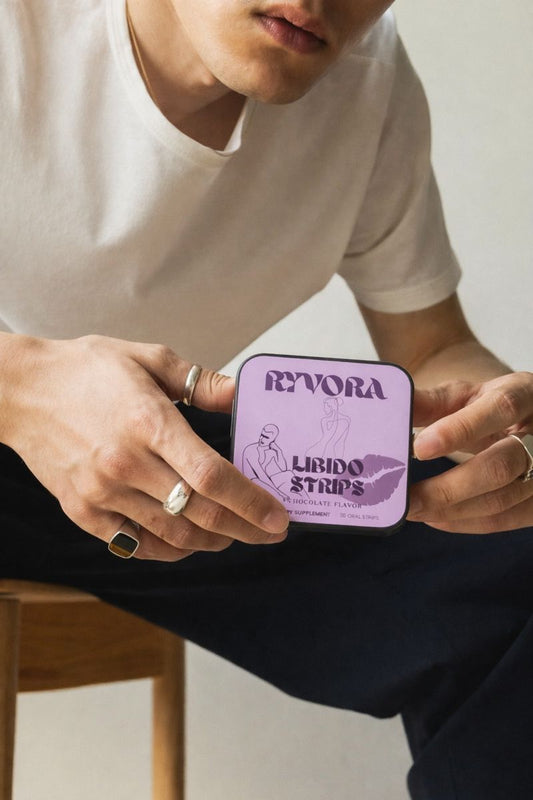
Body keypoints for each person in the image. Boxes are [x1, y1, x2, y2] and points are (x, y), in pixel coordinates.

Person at [1, 0, 532, 797]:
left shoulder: (367, 85)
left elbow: (430, 350)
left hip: (152, 474)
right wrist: (21, 387)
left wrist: (505, 429)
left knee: (513, 562)